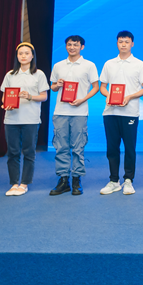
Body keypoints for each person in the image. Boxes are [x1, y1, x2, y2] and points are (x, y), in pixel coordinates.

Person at [98, 31, 143, 196]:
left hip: (130, 113)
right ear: (117, 43)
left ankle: (128, 180)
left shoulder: (139, 64)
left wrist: (129, 97)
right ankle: (114, 181)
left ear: (132, 44)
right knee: (112, 148)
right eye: (121, 41)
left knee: (129, 148)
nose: (123, 44)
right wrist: (109, 96)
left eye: (127, 42)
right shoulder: (109, 64)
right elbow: (102, 87)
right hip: (110, 112)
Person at [48, 35, 100, 196]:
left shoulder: (89, 65)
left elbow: (96, 87)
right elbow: (53, 88)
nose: (72, 47)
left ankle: (77, 179)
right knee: (61, 147)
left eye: (75, 45)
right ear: (66, 46)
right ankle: (63, 180)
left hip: (79, 112)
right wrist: (57, 85)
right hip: (60, 112)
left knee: (78, 147)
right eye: (69, 45)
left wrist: (82, 99)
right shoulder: (58, 65)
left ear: (82, 47)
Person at [1, 42, 49, 196]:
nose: (23, 56)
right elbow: (4, 97)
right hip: (11, 119)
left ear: (32, 56)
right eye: (20, 53)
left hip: (31, 119)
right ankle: (14, 183)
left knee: (29, 152)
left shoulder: (38, 74)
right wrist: (6, 104)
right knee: (12, 152)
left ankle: (24, 183)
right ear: (17, 56)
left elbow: (44, 96)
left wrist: (29, 96)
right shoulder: (10, 74)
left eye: (27, 53)